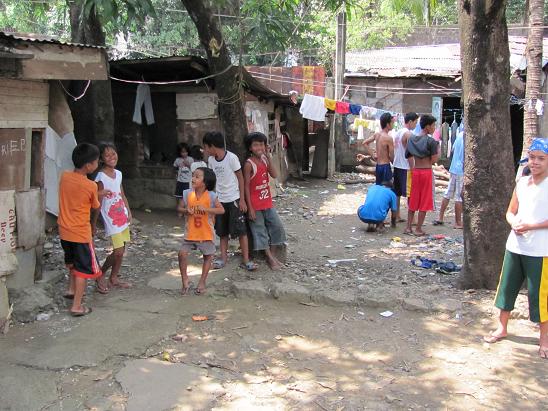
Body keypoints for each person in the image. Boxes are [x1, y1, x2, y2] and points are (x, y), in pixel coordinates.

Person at [484, 138, 548, 359]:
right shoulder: (521, 183)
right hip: (515, 245)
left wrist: (531, 226)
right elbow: (510, 211)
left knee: (540, 295)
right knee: (507, 287)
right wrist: (513, 222)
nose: (535, 162)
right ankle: (502, 327)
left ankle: (544, 340)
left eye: (541, 158)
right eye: (532, 158)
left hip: (540, 250)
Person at [58, 143, 110, 316]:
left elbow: (77, 194)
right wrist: (98, 194)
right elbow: (94, 205)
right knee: (83, 270)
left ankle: (70, 289)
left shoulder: (65, 177)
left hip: (64, 230)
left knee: (72, 263)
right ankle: (77, 306)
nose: (97, 164)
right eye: (96, 162)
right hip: (80, 233)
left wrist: (97, 193)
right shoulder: (90, 185)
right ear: (88, 165)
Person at [203, 131, 257, 271]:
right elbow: (212, 180)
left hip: (234, 199)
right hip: (220, 201)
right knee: (222, 232)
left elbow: (240, 178)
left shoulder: (232, 158)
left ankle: (246, 260)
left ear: (212, 146)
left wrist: (242, 200)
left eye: (206, 147)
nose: (205, 150)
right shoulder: (211, 161)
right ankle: (223, 258)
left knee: (241, 231)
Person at [177, 167, 224, 295]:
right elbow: (179, 208)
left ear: (205, 182)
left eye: (197, 177)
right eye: (193, 176)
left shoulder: (211, 196)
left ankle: (202, 282)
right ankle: (185, 281)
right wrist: (186, 210)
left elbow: (221, 210)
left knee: (208, 256)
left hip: (205, 233)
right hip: (190, 232)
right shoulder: (187, 193)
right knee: (182, 254)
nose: (193, 178)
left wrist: (207, 209)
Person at [243, 132, 286, 270]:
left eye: (261, 144)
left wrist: (268, 156)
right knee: (260, 231)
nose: (259, 147)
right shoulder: (249, 164)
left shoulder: (264, 160)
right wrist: (250, 208)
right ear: (250, 148)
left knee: (277, 227)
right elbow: (246, 187)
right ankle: (270, 258)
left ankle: (272, 256)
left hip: (267, 202)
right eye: (255, 145)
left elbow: (274, 174)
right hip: (255, 205)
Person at [93, 143, 132, 294]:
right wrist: (94, 222)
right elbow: (98, 200)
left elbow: (122, 194)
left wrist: (128, 211)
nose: (111, 157)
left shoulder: (119, 174)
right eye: (107, 155)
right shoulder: (100, 177)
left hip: (122, 214)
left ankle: (114, 277)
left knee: (123, 247)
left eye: (113, 153)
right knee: (118, 251)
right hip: (111, 218)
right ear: (101, 159)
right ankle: (100, 274)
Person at [404, 114, 439, 236]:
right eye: (433, 125)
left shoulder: (411, 139)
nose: (434, 128)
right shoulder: (431, 141)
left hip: (416, 171)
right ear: (427, 126)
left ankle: (408, 227)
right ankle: (418, 228)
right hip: (426, 172)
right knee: (425, 200)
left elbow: (407, 155)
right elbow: (434, 160)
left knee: (413, 199)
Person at [434, 130, 464, 229]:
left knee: (448, 193)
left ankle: (440, 217)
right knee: (459, 196)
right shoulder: (467, 137)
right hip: (461, 169)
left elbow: (453, 150)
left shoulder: (460, 135)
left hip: (454, 167)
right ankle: (458, 222)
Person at [393, 112, 418, 221]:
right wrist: (413, 167)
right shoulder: (408, 134)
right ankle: (412, 218)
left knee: (397, 193)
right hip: (405, 167)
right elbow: (409, 153)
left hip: (397, 165)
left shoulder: (398, 132)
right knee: (410, 193)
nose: (416, 125)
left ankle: (396, 215)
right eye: (415, 122)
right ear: (410, 121)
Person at [360, 112, 395, 185]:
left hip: (378, 166)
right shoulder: (389, 138)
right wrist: (395, 165)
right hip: (385, 167)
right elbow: (391, 156)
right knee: (387, 188)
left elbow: (364, 143)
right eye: (392, 122)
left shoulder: (377, 134)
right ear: (387, 124)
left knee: (379, 187)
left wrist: (373, 155)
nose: (393, 124)